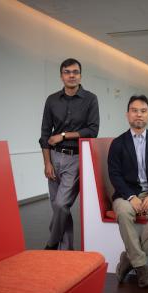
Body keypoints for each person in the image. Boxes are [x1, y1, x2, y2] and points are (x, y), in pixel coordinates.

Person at [108, 95, 148, 288]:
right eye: (134, 111)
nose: (139, 115)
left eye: (143, 111)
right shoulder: (118, 143)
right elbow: (115, 175)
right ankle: (142, 268)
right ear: (128, 115)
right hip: (125, 194)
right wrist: (130, 196)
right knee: (124, 213)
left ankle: (129, 258)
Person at [39, 58, 99, 250]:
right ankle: (66, 250)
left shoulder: (90, 99)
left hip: (76, 158)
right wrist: (47, 163)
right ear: (61, 76)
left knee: (61, 205)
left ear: (80, 75)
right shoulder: (51, 100)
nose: (71, 75)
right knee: (57, 207)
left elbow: (92, 130)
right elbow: (45, 134)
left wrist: (64, 135)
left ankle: (51, 242)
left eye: (75, 72)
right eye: (67, 72)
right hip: (54, 157)